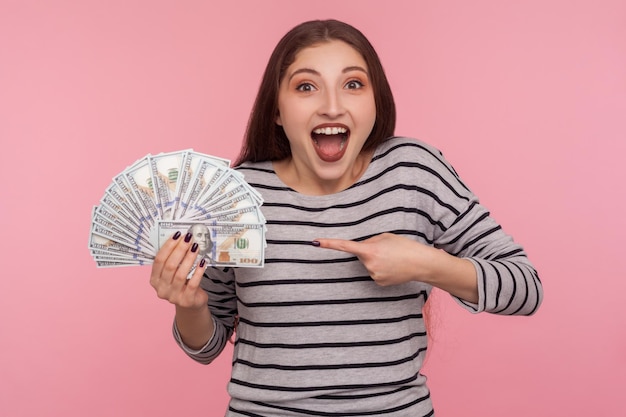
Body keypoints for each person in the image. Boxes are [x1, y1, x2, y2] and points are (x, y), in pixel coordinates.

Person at [150, 19, 543, 416]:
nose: (332, 106)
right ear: (277, 111)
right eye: (306, 87)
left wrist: (426, 264)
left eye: (353, 84)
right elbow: (207, 346)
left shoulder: (413, 172)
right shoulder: (237, 194)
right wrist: (189, 306)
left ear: (376, 102)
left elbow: (525, 288)